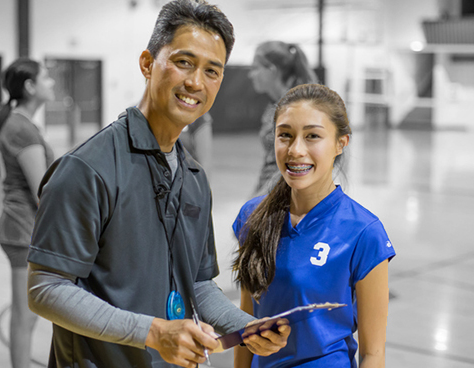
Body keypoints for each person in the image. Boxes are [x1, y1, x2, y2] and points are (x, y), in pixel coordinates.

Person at [26, 1, 289, 367]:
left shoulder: (194, 178)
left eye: (212, 71)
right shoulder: (88, 168)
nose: (196, 82)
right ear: (148, 64)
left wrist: (246, 326)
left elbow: (196, 284)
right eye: (184, 62)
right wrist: (152, 332)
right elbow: (46, 289)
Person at [232, 84, 396, 368]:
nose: (296, 150)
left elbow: (374, 354)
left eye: (312, 137)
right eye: (285, 135)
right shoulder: (253, 216)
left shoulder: (364, 232)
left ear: (340, 143)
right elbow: (247, 325)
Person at [0, 58, 55, 368]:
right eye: (46, 78)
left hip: (22, 228)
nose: (52, 83)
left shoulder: (20, 124)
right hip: (22, 230)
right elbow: (43, 192)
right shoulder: (21, 129)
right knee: (24, 316)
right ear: (30, 87)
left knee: (27, 314)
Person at [248, 41, 318, 196]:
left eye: (255, 68)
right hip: (268, 191)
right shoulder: (274, 105)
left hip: (285, 196)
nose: (250, 75)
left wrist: (260, 200)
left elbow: (295, 165)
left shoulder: (295, 109)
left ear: (271, 70)